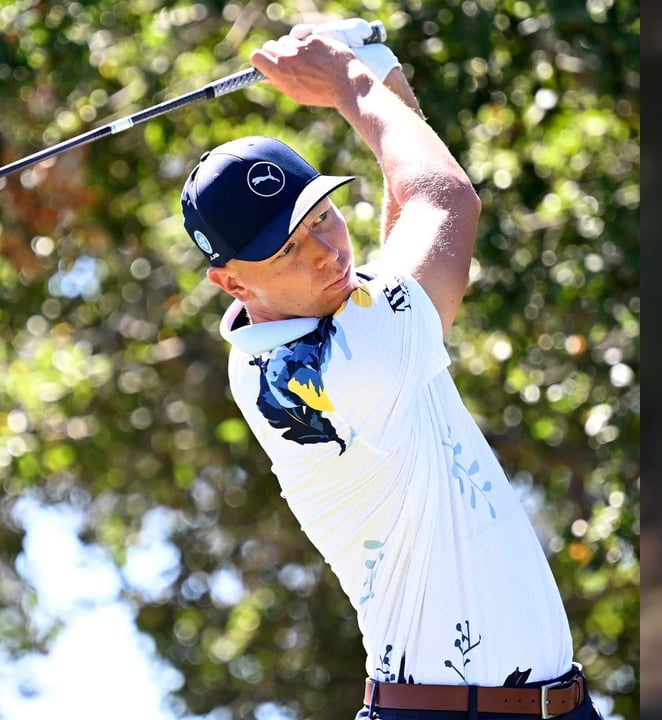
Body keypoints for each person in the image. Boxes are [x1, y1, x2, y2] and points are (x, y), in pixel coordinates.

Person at [179, 19, 602, 720]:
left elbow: (407, 204)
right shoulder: (319, 376)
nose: (325, 250)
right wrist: (347, 82)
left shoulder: (335, 313)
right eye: (287, 248)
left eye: (322, 216)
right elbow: (447, 203)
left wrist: (374, 60)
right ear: (232, 284)